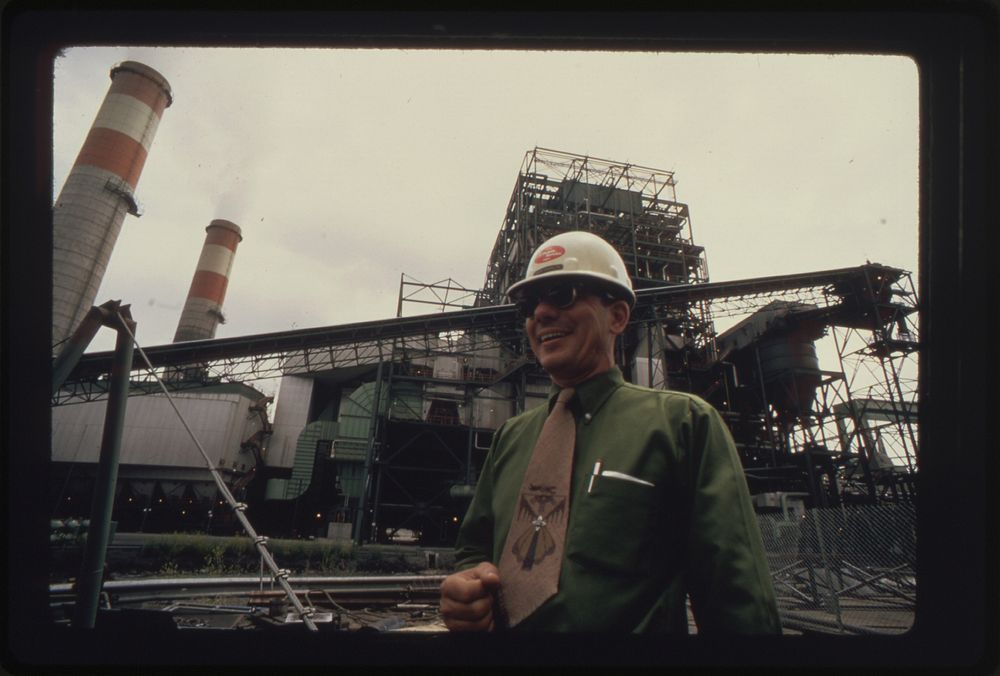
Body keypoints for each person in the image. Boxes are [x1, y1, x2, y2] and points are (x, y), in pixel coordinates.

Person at [439, 231, 781, 634]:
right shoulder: (511, 438)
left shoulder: (682, 424)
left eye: (562, 294)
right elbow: (474, 550)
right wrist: (468, 589)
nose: (541, 314)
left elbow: (738, 603)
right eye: (530, 305)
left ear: (617, 316)